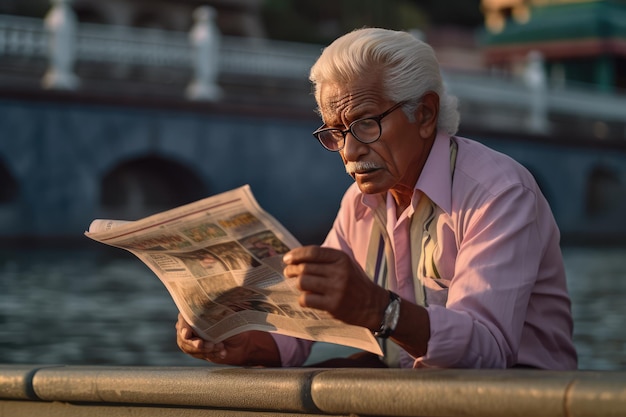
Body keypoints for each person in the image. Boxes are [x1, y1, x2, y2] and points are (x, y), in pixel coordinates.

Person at [176, 27, 578, 370]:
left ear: (424, 115)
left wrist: (379, 310)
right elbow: (301, 330)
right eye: (335, 131)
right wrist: (238, 343)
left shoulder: (498, 193)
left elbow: (488, 352)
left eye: (365, 124)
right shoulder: (358, 204)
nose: (349, 152)